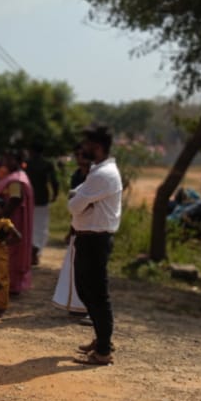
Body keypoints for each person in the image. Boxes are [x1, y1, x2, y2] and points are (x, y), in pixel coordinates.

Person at [69, 126, 123, 365]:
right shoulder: (97, 171)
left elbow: (73, 205)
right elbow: (76, 198)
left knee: (97, 294)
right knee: (84, 290)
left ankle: (103, 350)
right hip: (88, 238)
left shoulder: (103, 174)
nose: (83, 148)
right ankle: (102, 339)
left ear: (97, 146)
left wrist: (79, 201)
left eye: (87, 144)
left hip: (95, 239)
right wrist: (80, 201)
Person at [53, 149, 91, 316]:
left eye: (81, 155)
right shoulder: (77, 175)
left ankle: (87, 306)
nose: (78, 158)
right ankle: (76, 303)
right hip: (77, 222)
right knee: (76, 267)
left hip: (92, 226)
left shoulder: (94, 177)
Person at [0, 152, 35, 294]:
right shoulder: (17, 177)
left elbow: (15, 198)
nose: (5, 162)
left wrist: (2, 216)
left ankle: (11, 284)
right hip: (14, 219)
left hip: (14, 220)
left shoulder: (16, 180)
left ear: (16, 161)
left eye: (9, 159)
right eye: (4, 158)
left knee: (11, 251)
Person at [25, 141, 60, 265]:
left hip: (28, 199)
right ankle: (37, 250)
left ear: (31, 151)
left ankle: (30, 250)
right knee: (41, 226)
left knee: (29, 226)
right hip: (42, 199)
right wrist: (55, 194)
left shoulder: (26, 164)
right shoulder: (47, 164)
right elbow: (54, 181)